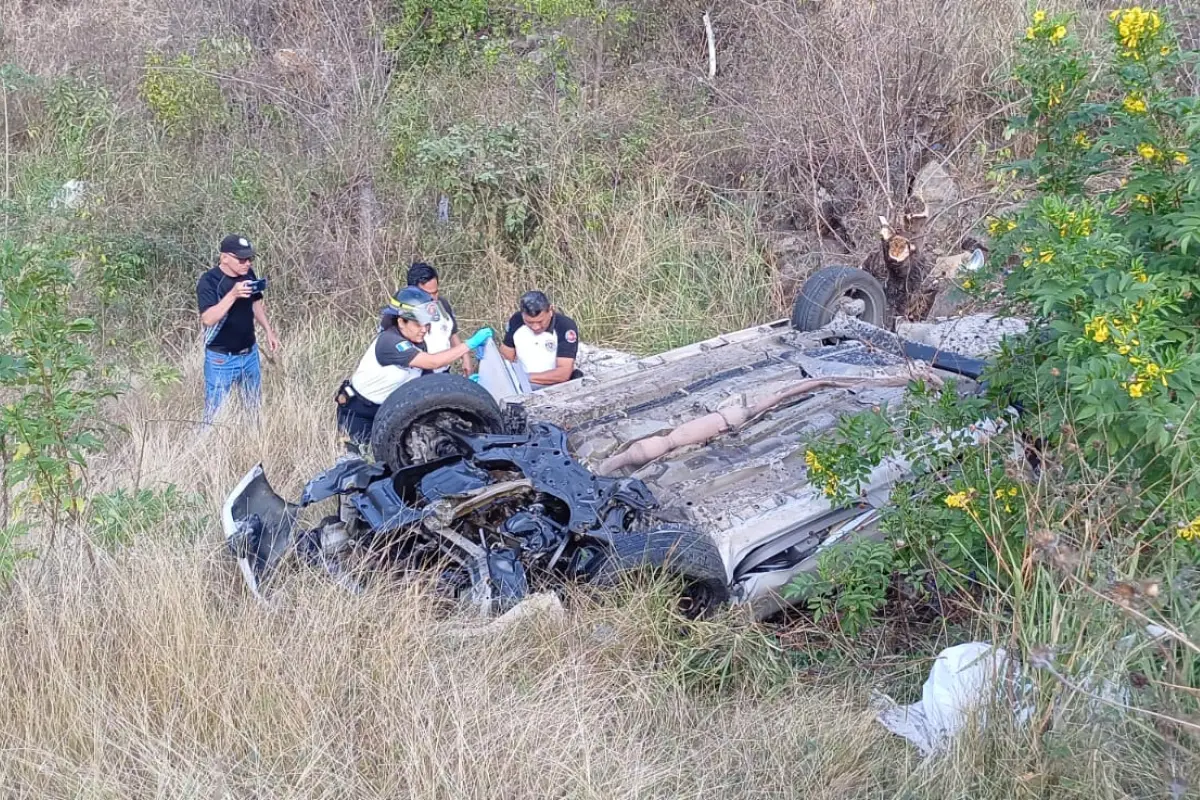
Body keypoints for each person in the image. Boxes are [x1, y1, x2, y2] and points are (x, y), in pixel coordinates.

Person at [335, 287, 493, 449]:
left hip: (387, 411)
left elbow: (429, 376)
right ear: (401, 321)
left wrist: (464, 387)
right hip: (360, 413)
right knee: (361, 461)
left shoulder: (417, 342)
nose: (424, 329)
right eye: (418, 324)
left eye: (426, 324)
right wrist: (470, 344)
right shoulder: (389, 342)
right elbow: (433, 362)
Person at [197, 234, 281, 423]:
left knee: (253, 409)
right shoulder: (209, 281)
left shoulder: (248, 275)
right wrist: (233, 294)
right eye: (241, 259)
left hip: (250, 355)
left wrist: (268, 330)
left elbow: (256, 304)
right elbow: (208, 318)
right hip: (221, 359)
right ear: (224, 257)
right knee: (214, 415)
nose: (247, 263)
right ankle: (207, 448)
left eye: (249, 258)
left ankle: (253, 445)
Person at [498, 290, 581, 387]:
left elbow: (563, 373)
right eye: (529, 322)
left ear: (550, 311)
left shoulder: (565, 326)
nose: (535, 327)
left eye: (540, 321)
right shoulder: (516, 321)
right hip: (522, 385)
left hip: (555, 386)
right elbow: (506, 358)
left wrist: (526, 378)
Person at [405, 261, 472, 375]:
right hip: (419, 376)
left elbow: (452, 333)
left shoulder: (442, 304)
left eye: (435, 292)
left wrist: (465, 357)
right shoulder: (405, 315)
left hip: (444, 371)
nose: (433, 298)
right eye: (427, 294)